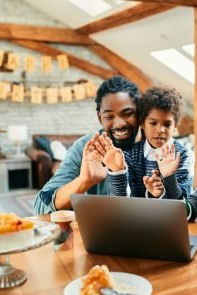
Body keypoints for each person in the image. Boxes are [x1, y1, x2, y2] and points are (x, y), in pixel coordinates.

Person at [33, 76, 142, 214]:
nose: (119, 124)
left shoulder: (161, 147)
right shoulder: (86, 148)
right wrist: (85, 181)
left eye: (127, 114)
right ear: (99, 117)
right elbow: (41, 206)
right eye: (109, 116)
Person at [96, 87, 194, 199]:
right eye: (153, 123)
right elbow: (121, 204)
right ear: (142, 123)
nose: (160, 130)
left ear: (175, 126)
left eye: (167, 124)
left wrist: (168, 179)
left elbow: (183, 206)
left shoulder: (184, 155)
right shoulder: (130, 155)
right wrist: (118, 172)